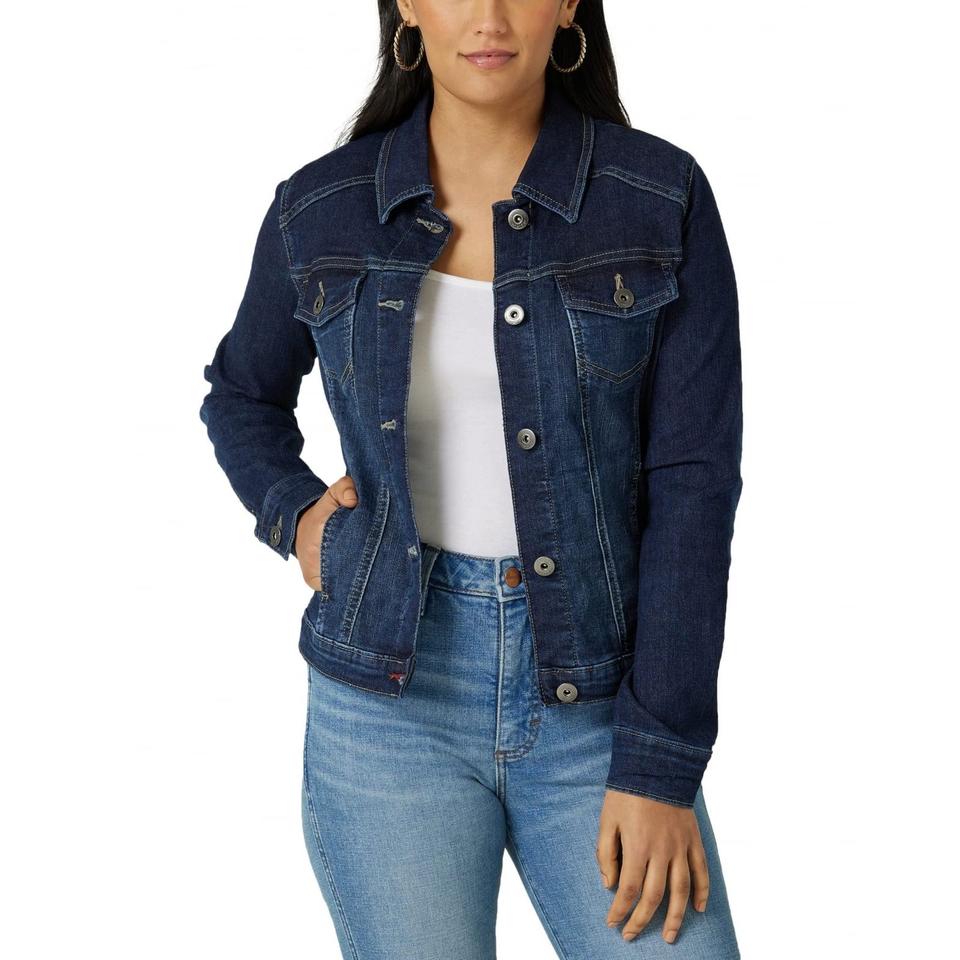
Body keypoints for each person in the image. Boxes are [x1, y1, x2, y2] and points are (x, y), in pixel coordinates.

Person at [199, 2, 743, 957]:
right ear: (407, 5)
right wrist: (297, 517)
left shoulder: (658, 198)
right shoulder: (321, 207)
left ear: (568, 4)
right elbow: (242, 395)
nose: (488, 17)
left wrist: (659, 766)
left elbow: (694, 487)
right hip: (386, 704)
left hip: (602, 699)